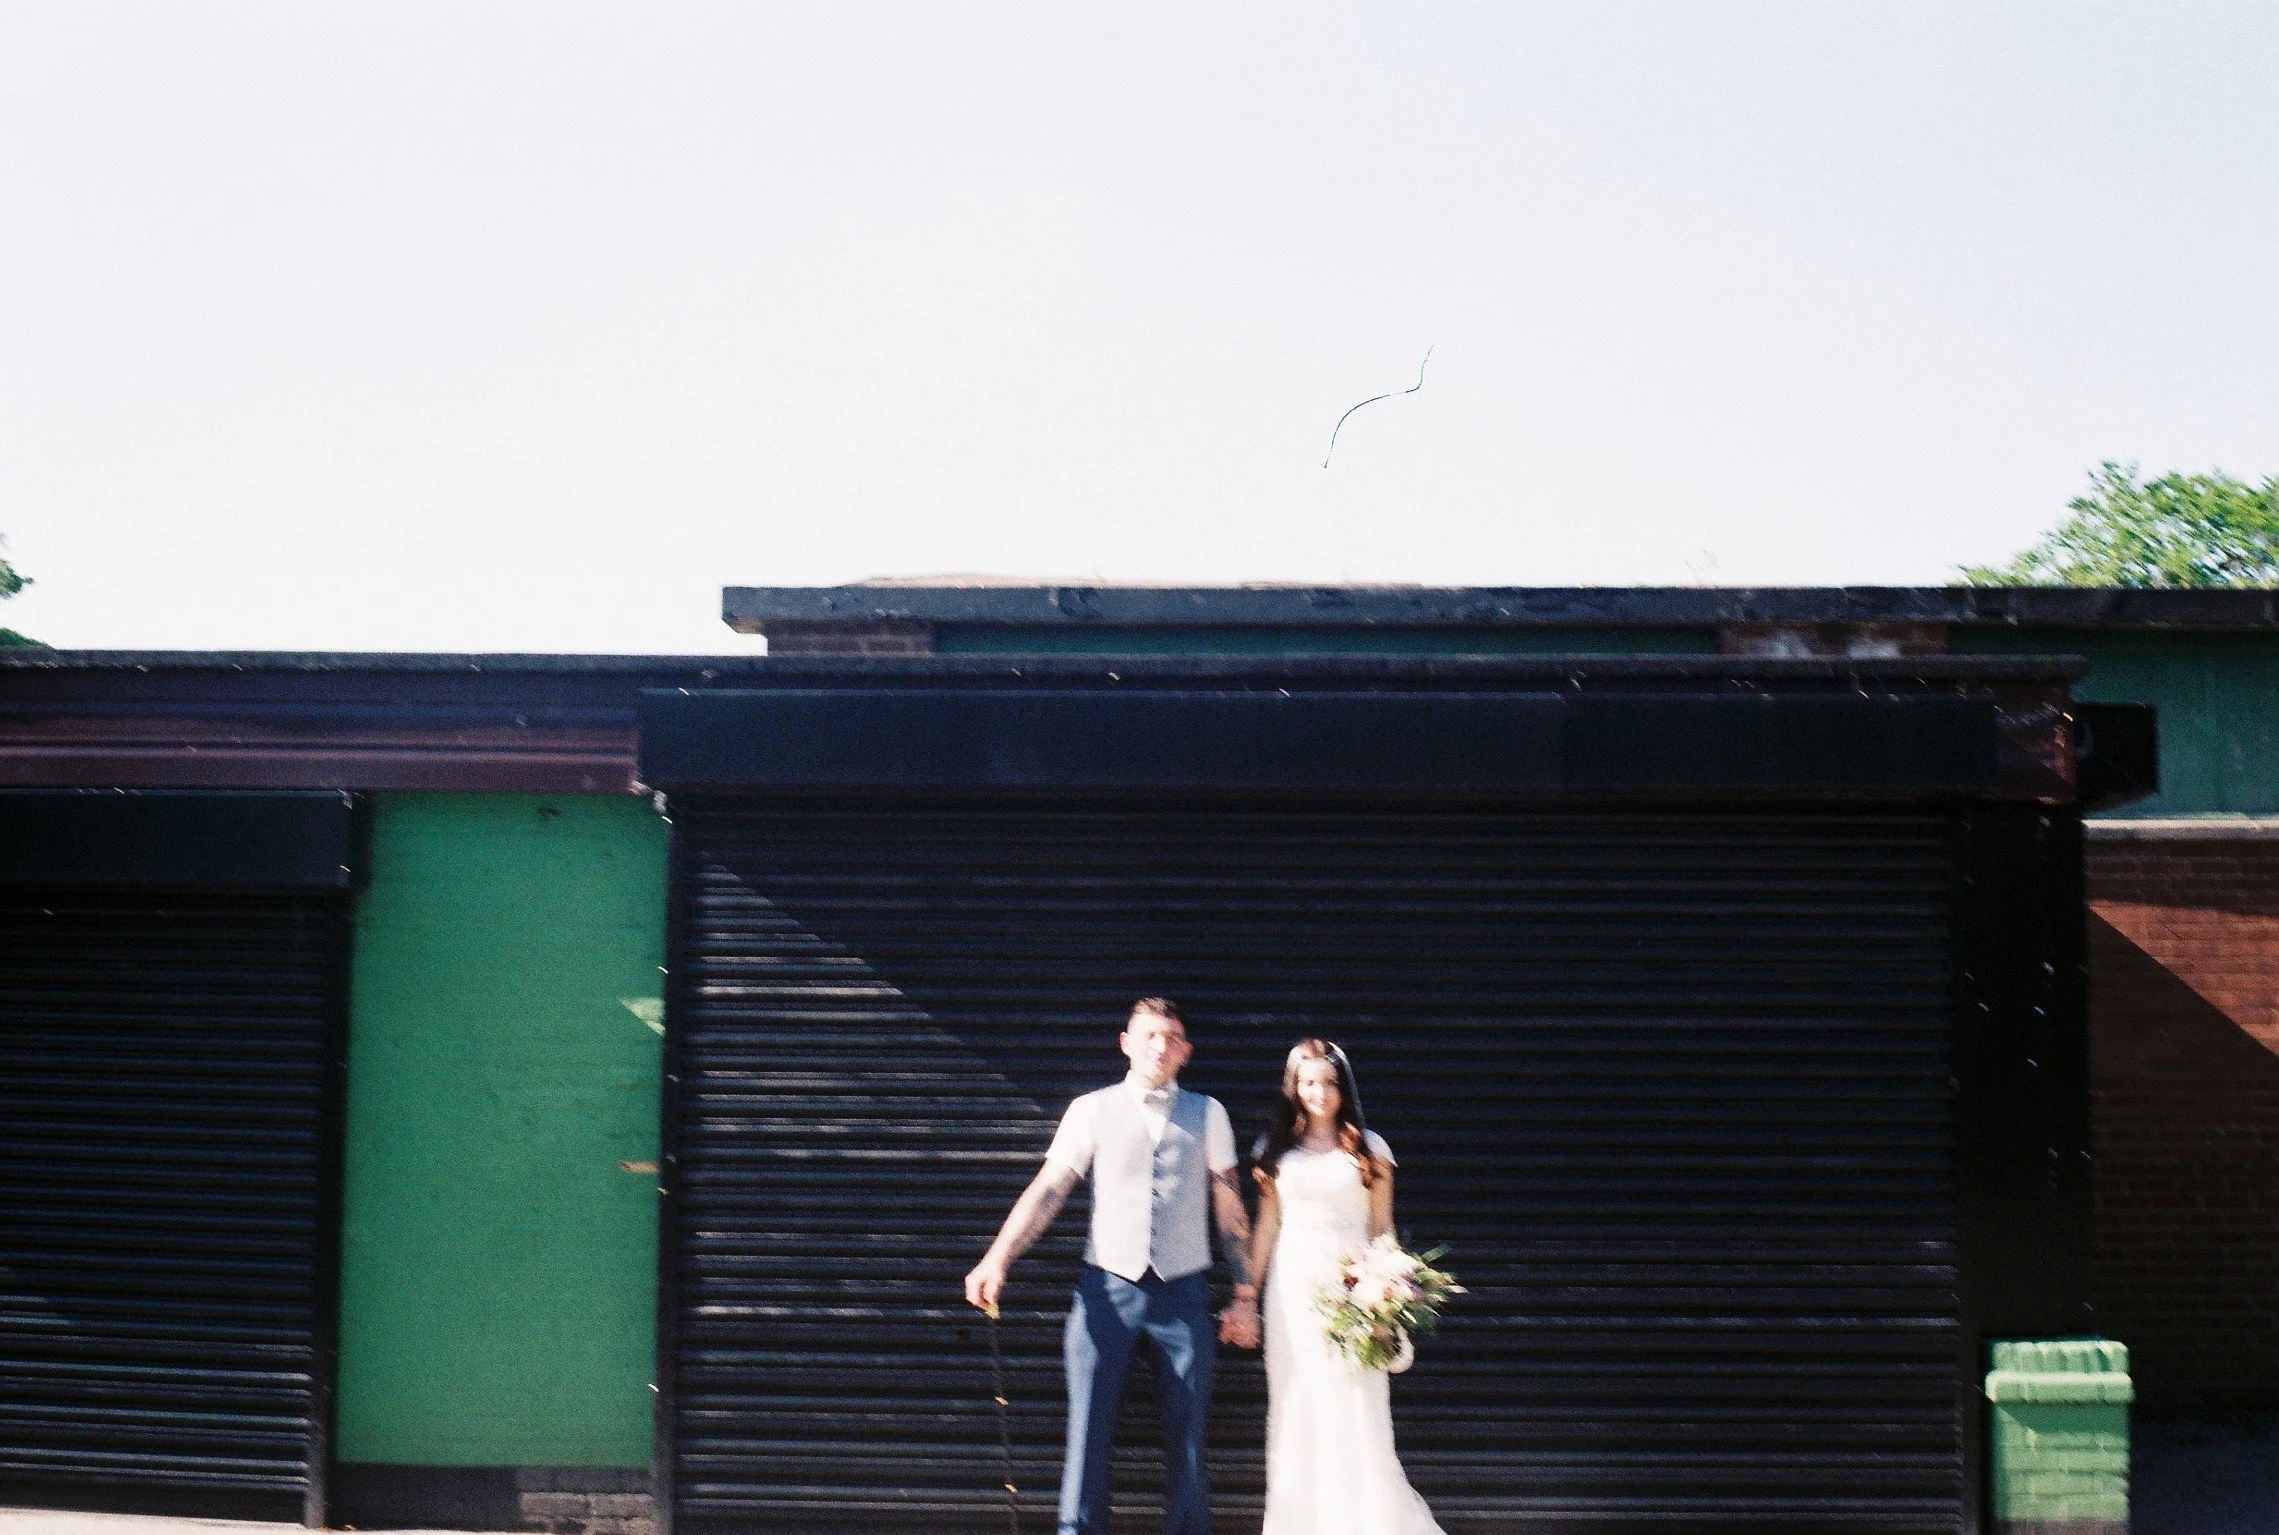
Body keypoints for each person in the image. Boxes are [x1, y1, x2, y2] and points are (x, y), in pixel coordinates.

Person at [964, 998, 1259, 1535]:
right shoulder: (1090, 1109)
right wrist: (997, 1258)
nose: (1160, 1046)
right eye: (1148, 1035)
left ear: (1186, 1052)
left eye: (1171, 1037)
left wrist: (1245, 1293)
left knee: (1189, 1433)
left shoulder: (1209, 1112)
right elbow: (1051, 1189)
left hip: (1184, 1292)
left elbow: (1229, 1203)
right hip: (1106, 1289)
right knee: (1088, 1430)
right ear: (1125, 1042)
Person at [1249, 1039, 1445, 1535]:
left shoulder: (1370, 1149)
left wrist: (1390, 1295)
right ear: (1293, 1087)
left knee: (1358, 1409)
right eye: (1307, 1081)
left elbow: (1382, 1227)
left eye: (1328, 1082)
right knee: (1296, 1409)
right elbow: (1267, 1228)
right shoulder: (1273, 1152)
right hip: (1292, 1297)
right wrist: (1245, 1295)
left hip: (1353, 1296)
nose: (1319, 1092)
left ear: (1343, 1087)